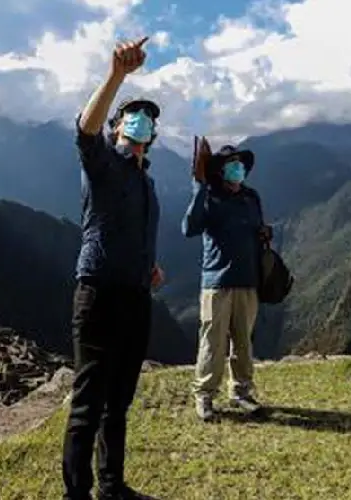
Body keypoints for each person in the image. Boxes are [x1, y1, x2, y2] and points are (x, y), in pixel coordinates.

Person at [61, 35, 162, 500]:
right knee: (88, 403)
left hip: (136, 294)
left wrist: (150, 267)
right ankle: (76, 493)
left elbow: (134, 233)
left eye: (147, 120)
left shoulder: (146, 182)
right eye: (131, 116)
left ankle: (111, 485)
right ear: (118, 126)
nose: (140, 122)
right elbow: (84, 130)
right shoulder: (102, 164)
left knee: (118, 401)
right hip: (99, 293)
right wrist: (116, 76)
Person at [182, 138, 269, 422]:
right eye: (232, 165)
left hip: (248, 279)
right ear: (219, 171)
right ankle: (205, 395)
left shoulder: (251, 197)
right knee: (213, 341)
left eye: (240, 164)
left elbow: (257, 229)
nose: (238, 168)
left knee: (244, 340)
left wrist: (264, 235)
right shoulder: (210, 198)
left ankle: (241, 392)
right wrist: (199, 187)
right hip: (217, 280)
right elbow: (189, 228)